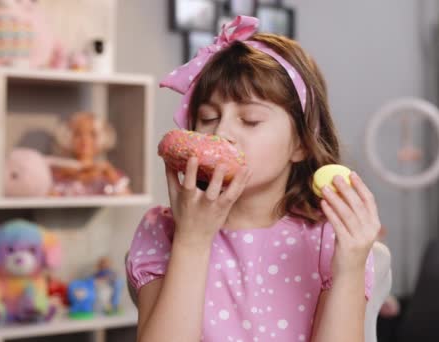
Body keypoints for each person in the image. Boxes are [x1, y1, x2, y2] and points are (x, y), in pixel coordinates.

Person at [126, 15, 387, 342]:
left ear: (302, 144)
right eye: (208, 118)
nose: (221, 133)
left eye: (249, 120)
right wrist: (192, 241)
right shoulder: (163, 231)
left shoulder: (327, 239)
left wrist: (349, 269)